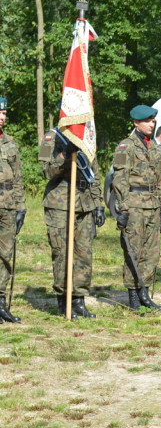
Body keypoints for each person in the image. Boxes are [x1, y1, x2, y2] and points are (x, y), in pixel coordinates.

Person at [39, 127, 104, 319]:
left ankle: (78, 301)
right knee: (62, 252)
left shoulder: (85, 137)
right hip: (60, 202)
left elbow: (95, 173)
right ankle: (63, 301)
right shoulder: (52, 138)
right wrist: (64, 154)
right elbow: (46, 171)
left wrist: (98, 204)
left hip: (85, 203)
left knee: (84, 254)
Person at [111, 105, 161, 311]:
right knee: (133, 251)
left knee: (152, 252)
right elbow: (120, 178)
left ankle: (145, 293)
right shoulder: (125, 147)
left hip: (153, 206)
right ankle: (133, 295)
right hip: (134, 205)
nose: (151, 124)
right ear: (136, 123)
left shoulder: (155, 148)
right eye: (147, 121)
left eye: (153, 121)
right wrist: (123, 208)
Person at [0, 97, 27, 323]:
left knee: (5, 254)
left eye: (4, 113)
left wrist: (21, 206)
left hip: (8, 205)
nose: (2, 117)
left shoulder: (10, 143)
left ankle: (0, 303)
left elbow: (18, 177)